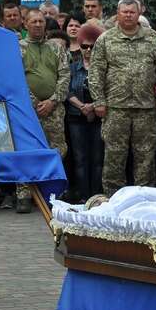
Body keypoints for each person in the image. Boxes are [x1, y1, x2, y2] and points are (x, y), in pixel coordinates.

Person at [89, 0, 156, 196]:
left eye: (132, 12)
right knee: (114, 156)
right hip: (115, 108)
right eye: (124, 12)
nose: (128, 15)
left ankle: (144, 199)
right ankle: (113, 198)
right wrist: (98, 101)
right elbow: (96, 72)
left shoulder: (153, 38)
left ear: (138, 14)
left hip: (146, 108)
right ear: (118, 14)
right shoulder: (106, 39)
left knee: (145, 157)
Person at [14, 9, 70, 212]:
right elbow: (15, 79)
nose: (38, 24)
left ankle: (51, 191)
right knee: (26, 150)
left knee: (56, 150)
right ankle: (24, 194)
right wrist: (33, 102)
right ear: (25, 24)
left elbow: (64, 74)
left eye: (41, 21)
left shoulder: (56, 47)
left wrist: (53, 101)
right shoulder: (17, 48)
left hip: (54, 109)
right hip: (27, 110)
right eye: (33, 21)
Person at [65, 23, 105, 202]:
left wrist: (94, 105)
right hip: (76, 117)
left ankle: (96, 195)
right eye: (84, 46)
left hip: (99, 117)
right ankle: (82, 196)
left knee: (97, 158)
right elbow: (66, 89)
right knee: (80, 158)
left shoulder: (104, 68)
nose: (88, 50)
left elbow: (110, 89)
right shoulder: (72, 67)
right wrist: (82, 106)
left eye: (92, 46)